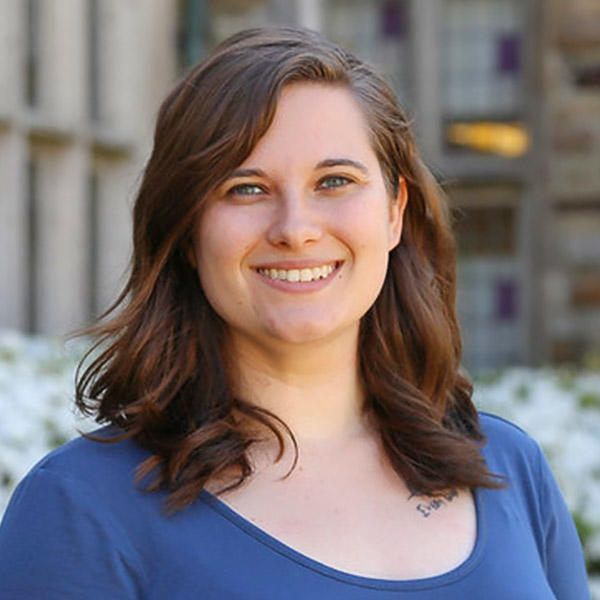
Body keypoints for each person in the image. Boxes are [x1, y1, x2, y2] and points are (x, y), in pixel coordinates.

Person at [0, 26, 590, 599]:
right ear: (186, 231)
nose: (296, 230)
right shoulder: (83, 508)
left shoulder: (508, 467)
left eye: (334, 181)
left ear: (394, 212)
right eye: (246, 189)